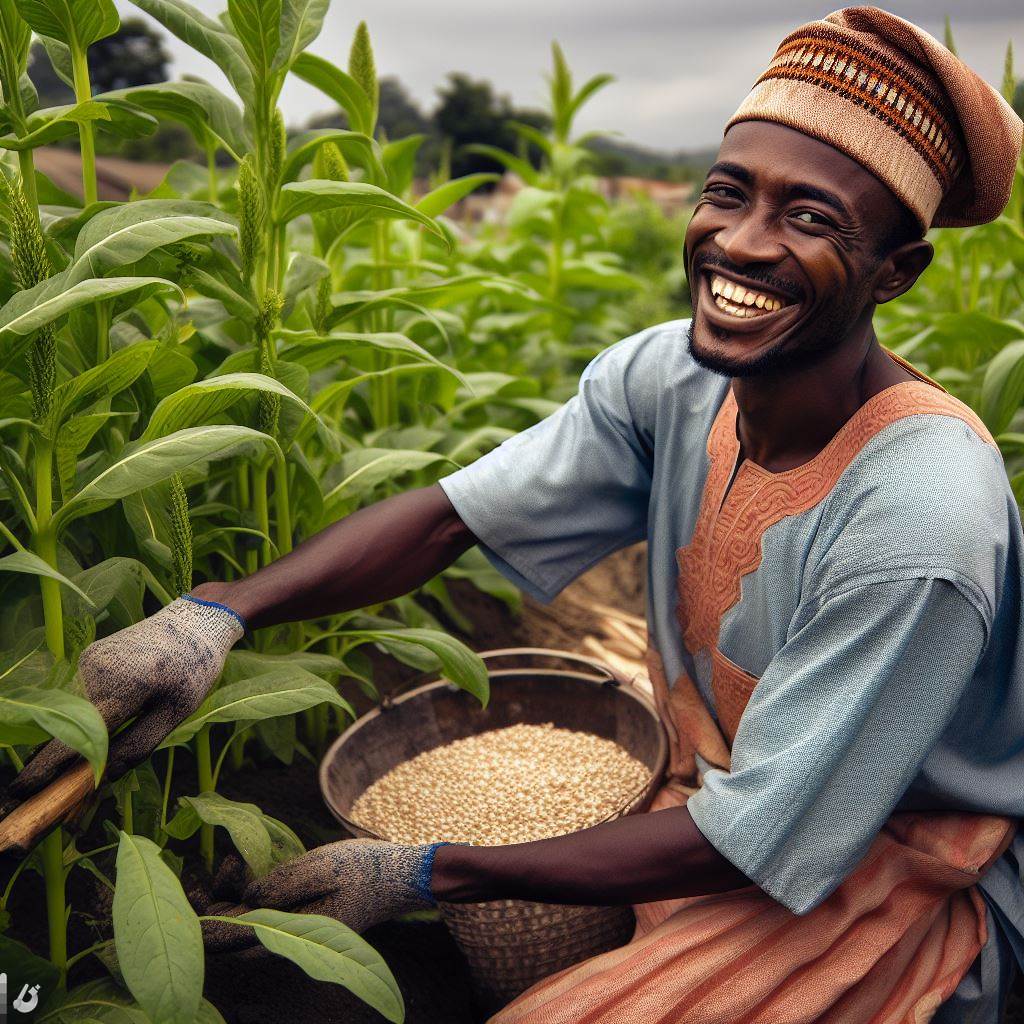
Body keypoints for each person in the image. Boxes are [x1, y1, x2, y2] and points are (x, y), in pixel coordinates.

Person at [4, 6, 1024, 1021]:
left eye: (809, 218)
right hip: (714, 794)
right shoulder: (669, 378)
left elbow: (753, 835)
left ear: (897, 271)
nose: (740, 243)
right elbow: (453, 517)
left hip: (894, 872)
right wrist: (213, 615)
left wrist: (424, 872)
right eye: (727, 193)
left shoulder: (920, 519)